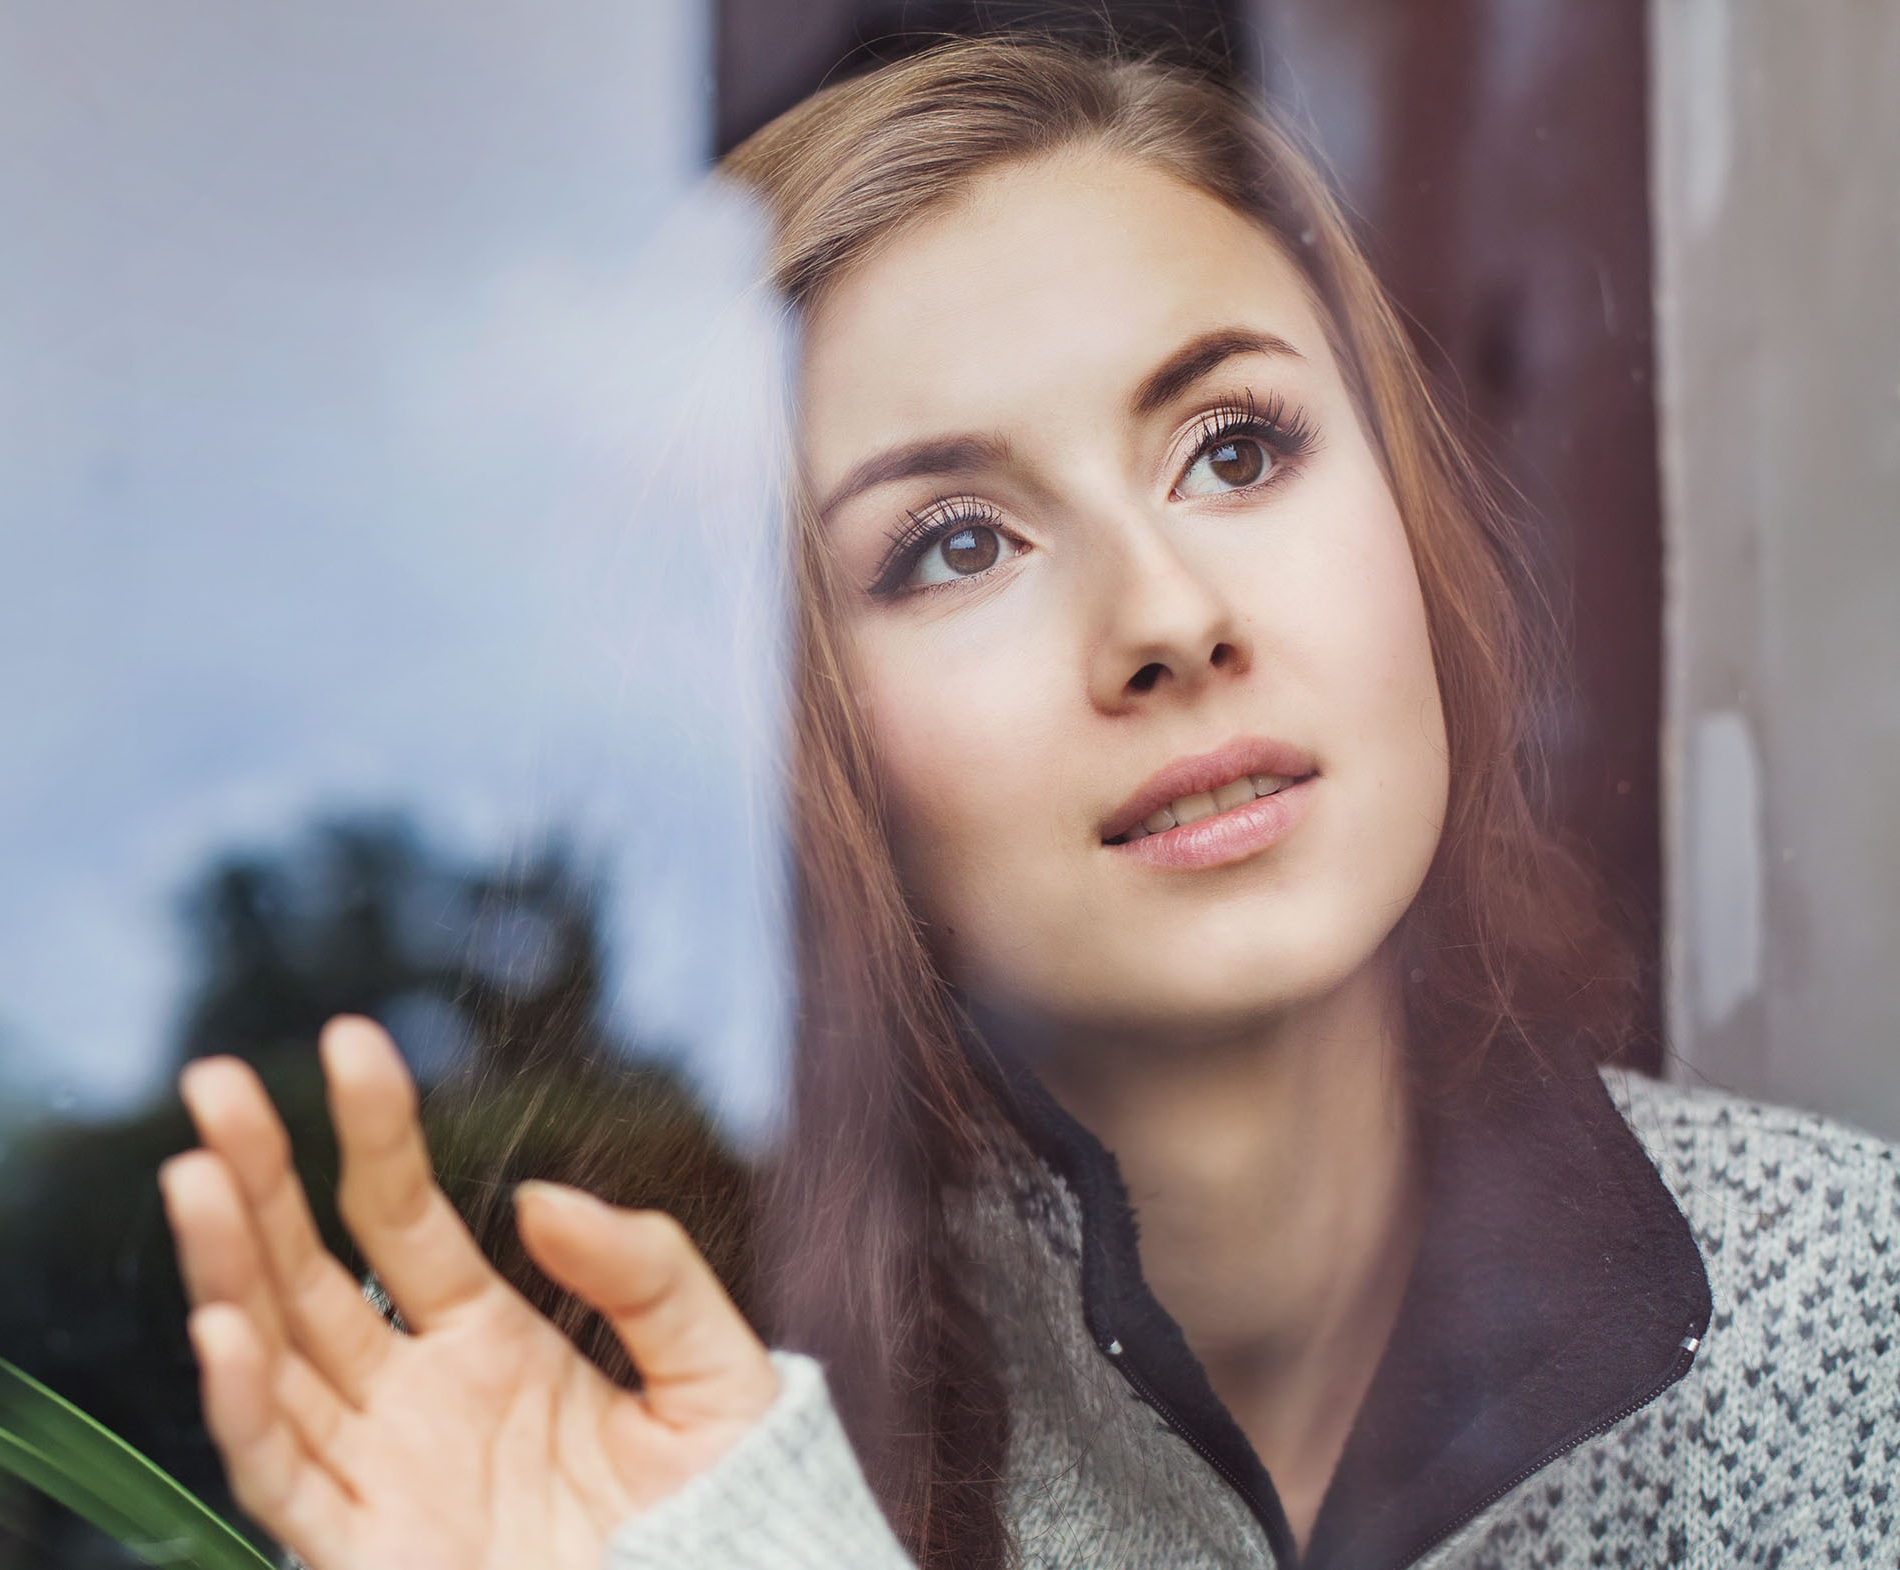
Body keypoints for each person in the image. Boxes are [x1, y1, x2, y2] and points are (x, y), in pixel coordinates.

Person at [155, 37, 1900, 1570]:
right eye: (954, 546)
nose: (1168, 617)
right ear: (790, 744)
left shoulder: (1850, 1312)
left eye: (1236, 446)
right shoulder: (619, 1452)